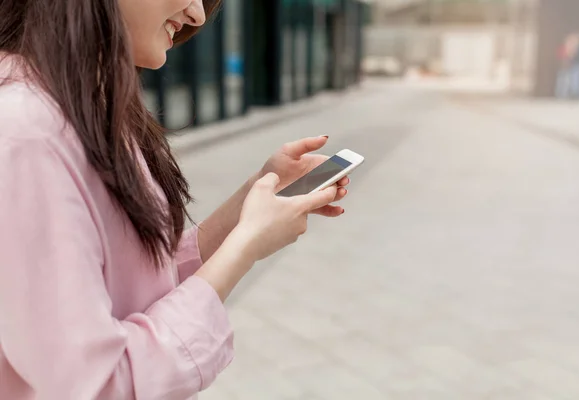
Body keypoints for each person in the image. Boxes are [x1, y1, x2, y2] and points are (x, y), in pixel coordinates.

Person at [0, 1, 351, 399]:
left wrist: (253, 197)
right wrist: (246, 244)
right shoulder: (27, 134)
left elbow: (136, 278)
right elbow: (99, 386)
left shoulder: (80, 104)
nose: (197, 16)